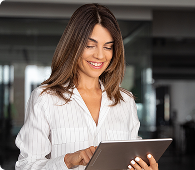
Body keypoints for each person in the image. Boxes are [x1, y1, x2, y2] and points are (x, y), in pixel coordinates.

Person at [15, 4, 159, 170]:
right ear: (73, 45)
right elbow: (26, 166)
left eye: (108, 47)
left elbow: (130, 161)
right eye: (90, 45)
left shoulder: (125, 102)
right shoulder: (45, 98)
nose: (99, 55)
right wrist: (69, 160)